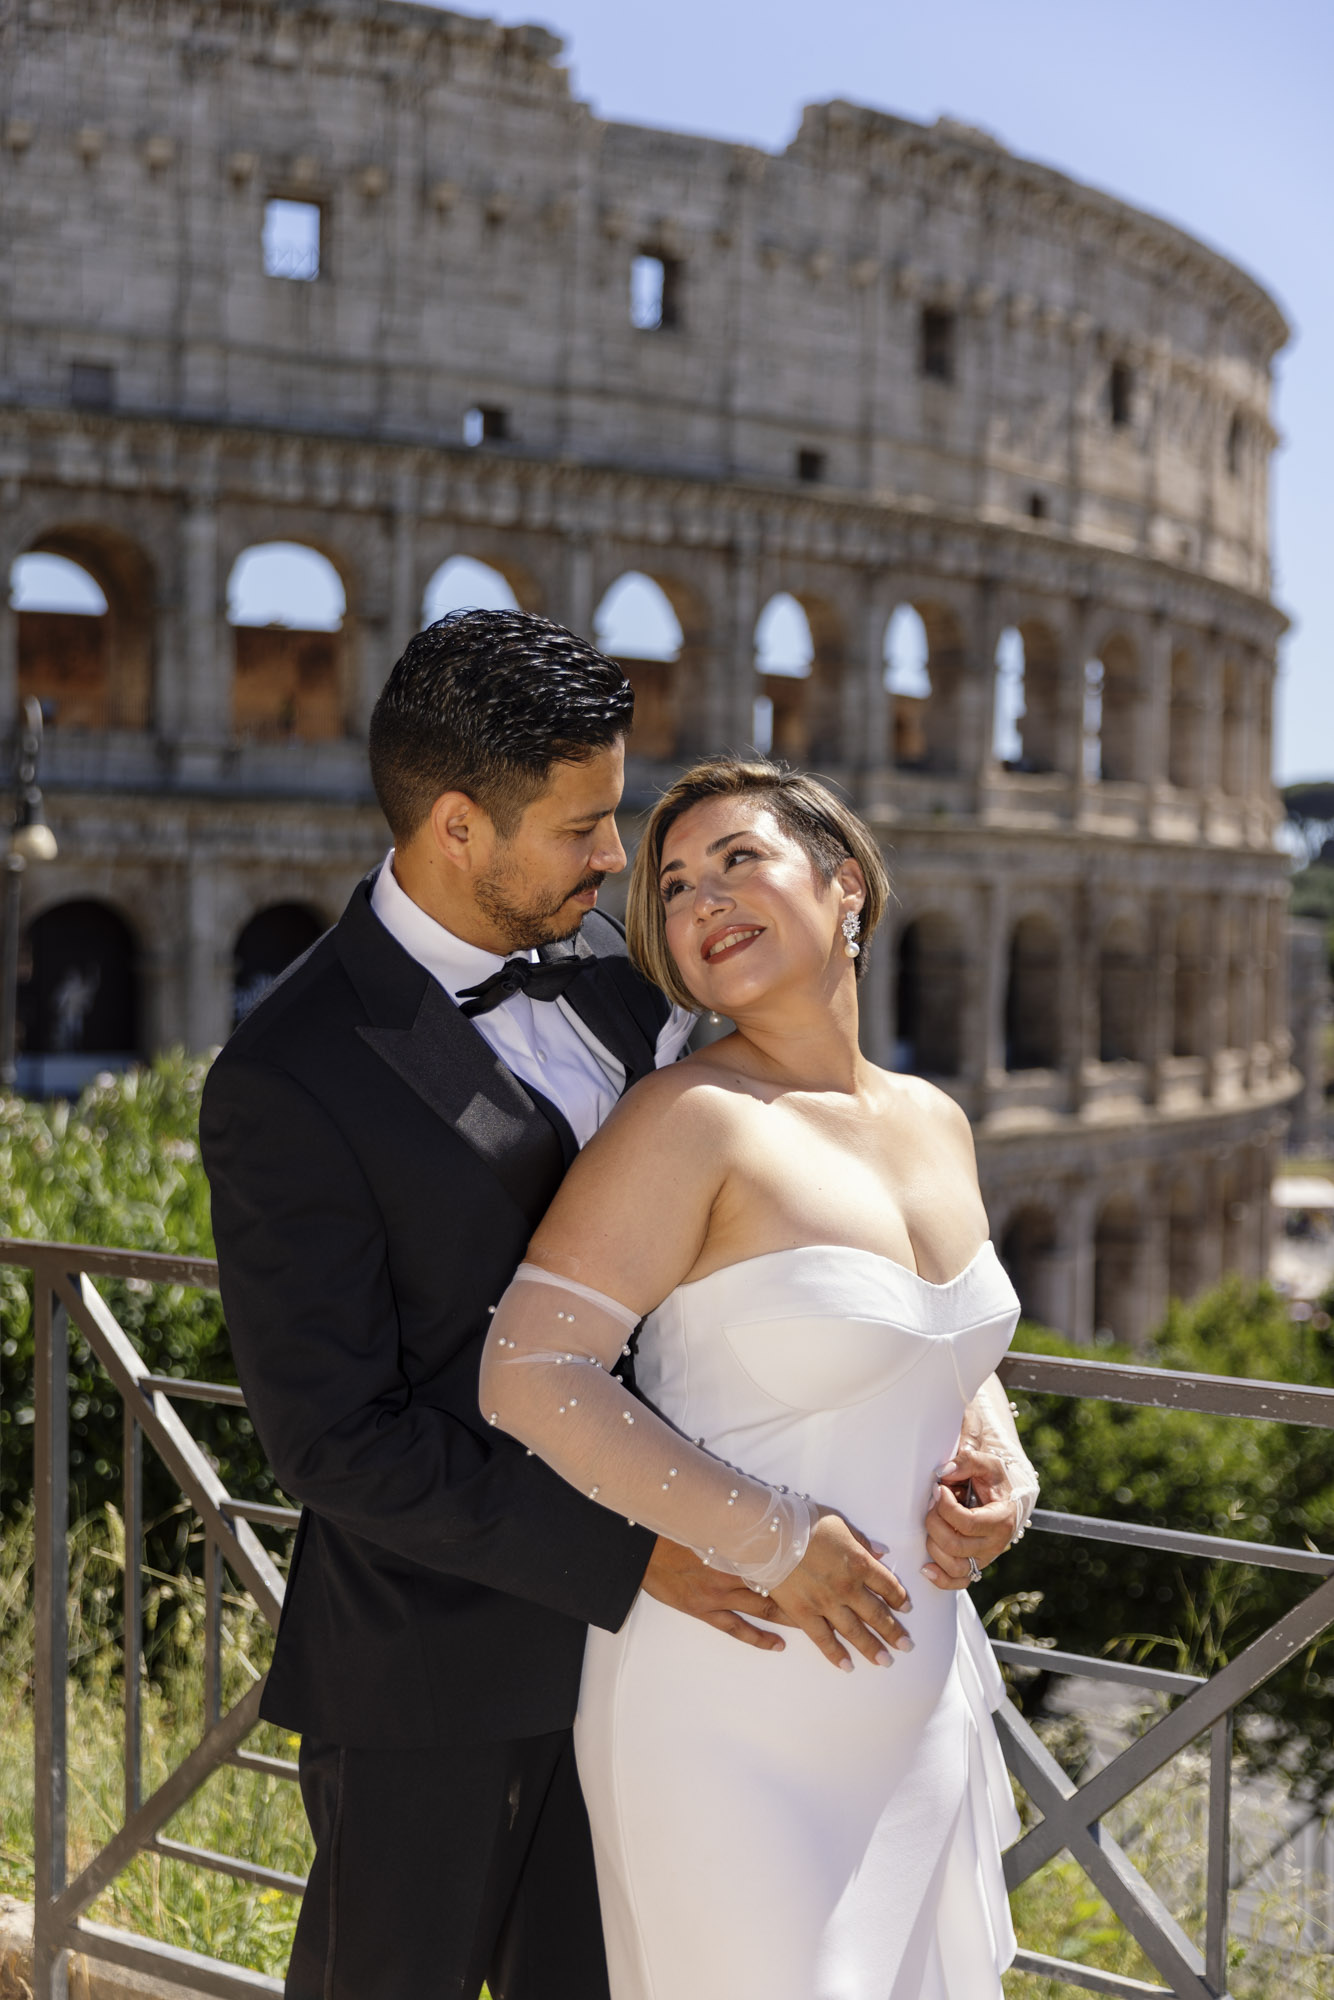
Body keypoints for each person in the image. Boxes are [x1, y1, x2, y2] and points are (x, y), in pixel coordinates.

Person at [201, 612, 778, 2000]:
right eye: (583, 826)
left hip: (675, 1668)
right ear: (458, 826)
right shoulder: (287, 1074)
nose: (611, 857)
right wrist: (630, 1561)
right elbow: (338, 1441)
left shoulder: (635, 984)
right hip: (437, 1677)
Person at [480, 758, 1040, 2000]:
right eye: (674, 884)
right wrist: (775, 1533)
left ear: (844, 884)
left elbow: (945, 1349)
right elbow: (528, 1371)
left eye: (739, 858)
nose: (700, 898)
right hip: (724, 1692)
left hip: (910, 1700)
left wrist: (1003, 1470)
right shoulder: (689, 1118)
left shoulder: (933, 1120)